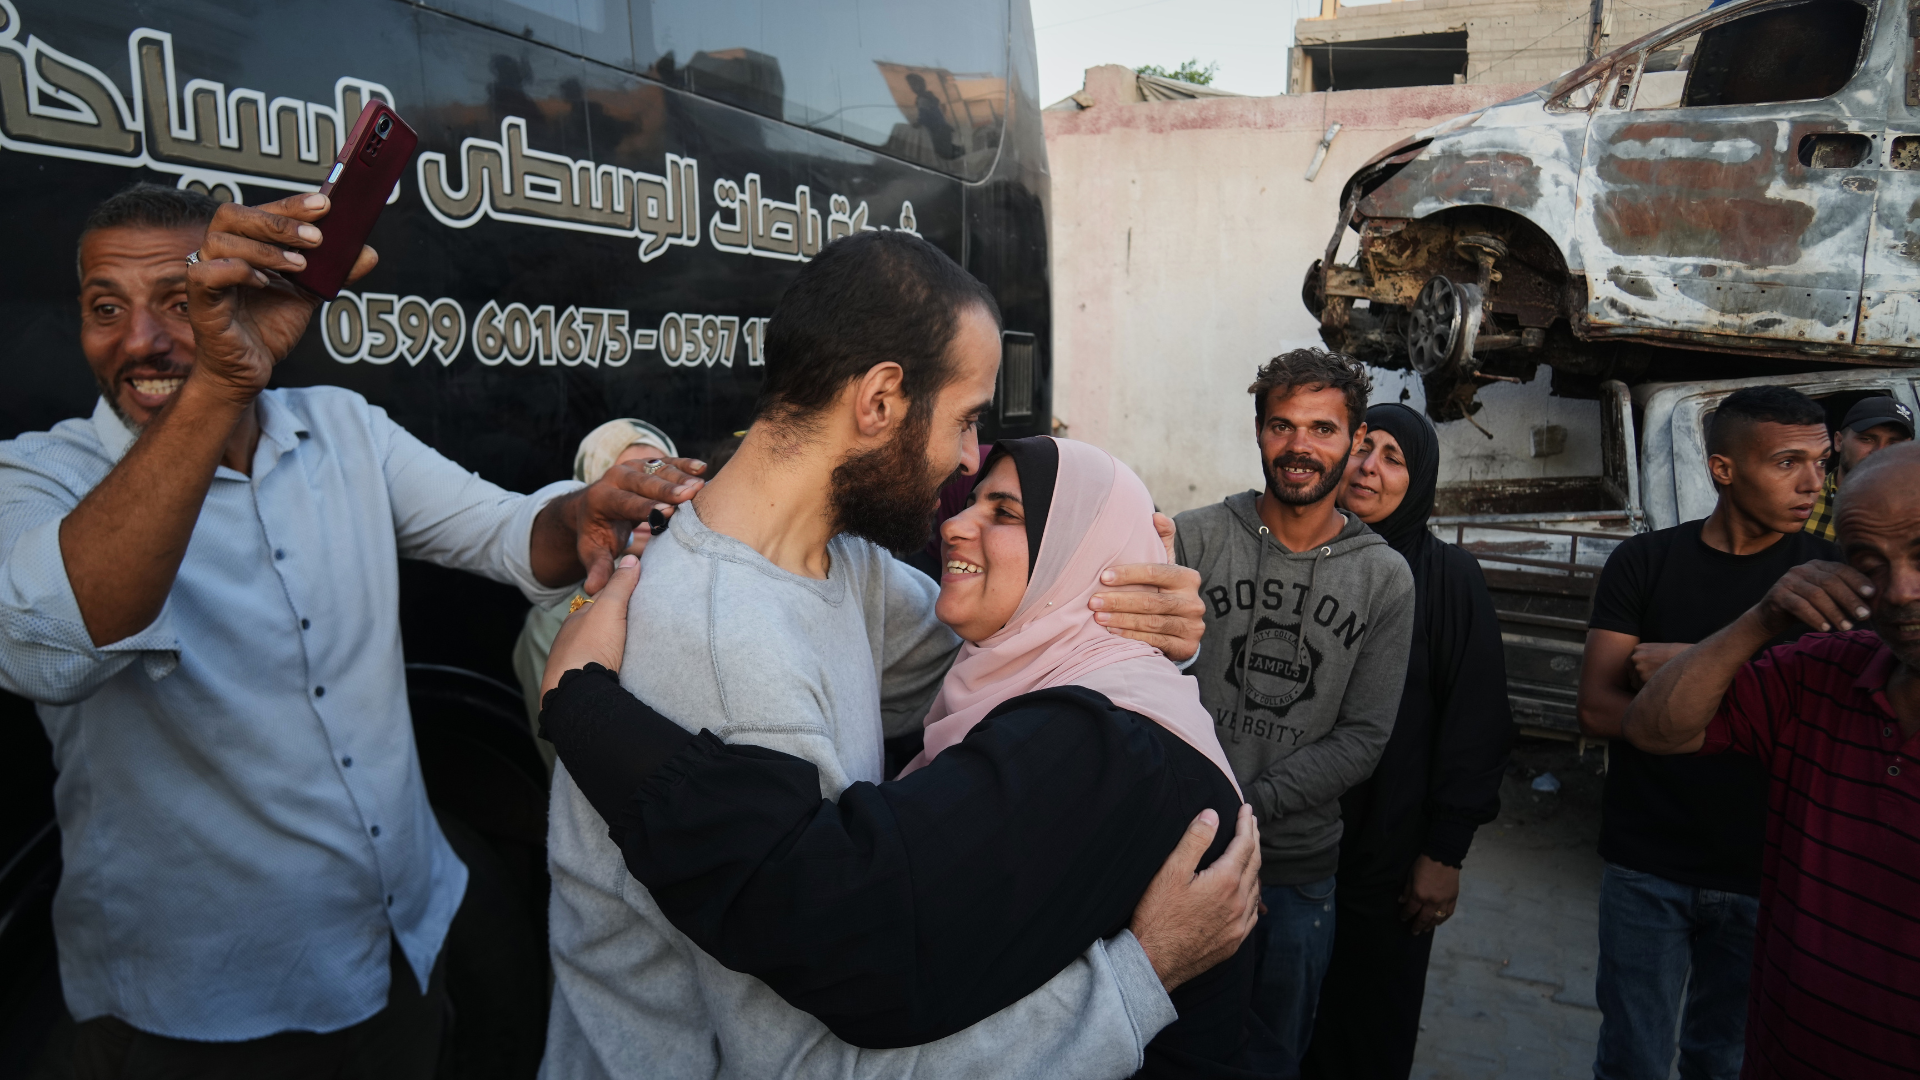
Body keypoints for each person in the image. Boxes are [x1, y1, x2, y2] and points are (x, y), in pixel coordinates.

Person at [0, 183, 698, 1077]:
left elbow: (503, 532)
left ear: (239, 294)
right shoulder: (41, 474)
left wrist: (581, 516)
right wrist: (221, 383)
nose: (139, 339)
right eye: (107, 309)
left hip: (399, 953)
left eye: (179, 301)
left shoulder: (341, 429)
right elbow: (47, 643)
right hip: (200, 1014)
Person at [540, 229, 1233, 1080]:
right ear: (880, 401)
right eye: (968, 419)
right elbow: (816, 1065)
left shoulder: (848, 567)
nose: (969, 459)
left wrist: (1126, 611)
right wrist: (1136, 980)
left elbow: (1016, 652)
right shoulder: (727, 649)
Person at [1625, 441, 1920, 1080]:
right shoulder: (1821, 669)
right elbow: (1652, 728)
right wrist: (1760, 620)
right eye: (1871, 563)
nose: (1900, 591)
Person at [1576, 386, 1839, 1080]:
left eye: (1821, 462)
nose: (1813, 483)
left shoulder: (1826, 582)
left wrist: (1682, 671)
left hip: (1767, 870)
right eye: (1788, 462)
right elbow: (1599, 711)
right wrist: (1752, 682)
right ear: (1723, 469)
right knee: (1631, 1058)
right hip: (1647, 862)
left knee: (1724, 1061)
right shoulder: (1645, 563)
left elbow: (1825, 729)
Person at [1173, 349, 1416, 1078]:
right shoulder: (1196, 537)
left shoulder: (1384, 577)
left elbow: (1364, 737)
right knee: (1165, 1052)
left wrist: (1245, 804)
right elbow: (1139, 679)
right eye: (1282, 425)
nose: (1300, 447)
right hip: (1178, 858)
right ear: (1257, 430)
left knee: (1272, 1059)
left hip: (1296, 873)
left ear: (1353, 438)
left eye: (1322, 428)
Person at [1302, 403, 1512, 1080]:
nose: (1368, 467)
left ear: (1418, 478)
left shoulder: (1448, 579)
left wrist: (1444, 852)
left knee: (1366, 1030)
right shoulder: (1303, 559)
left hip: (1387, 857)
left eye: (1393, 457)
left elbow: (1475, 724)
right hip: (1288, 840)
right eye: (1360, 448)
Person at [512, 418, 681, 734]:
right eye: (625, 487)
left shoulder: (695, 591)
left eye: (658, 480)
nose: (645, 502)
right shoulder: (553, 623)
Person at [1802, 395, 1912, 542]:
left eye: (1894, 444)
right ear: (1839, 441)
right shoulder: (1802, 497)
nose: (1879, 451)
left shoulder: (1912, 510)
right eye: (1867, 439)